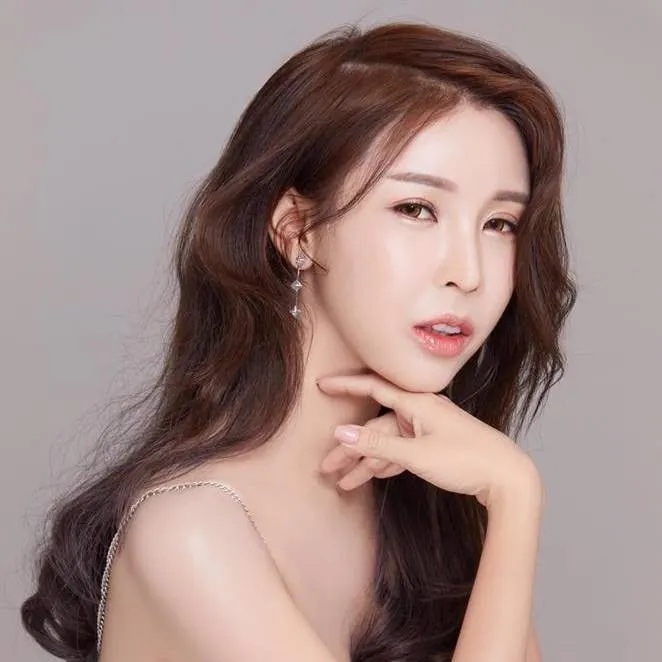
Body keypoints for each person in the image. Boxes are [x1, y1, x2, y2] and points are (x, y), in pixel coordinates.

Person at [20, 21, 577, 662]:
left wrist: (505, 504)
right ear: (296, 231)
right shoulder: (193, 532)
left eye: (500, 223)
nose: (469, 273)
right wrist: (517, 498)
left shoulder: (432, 507)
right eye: (417, 209)